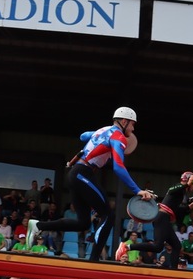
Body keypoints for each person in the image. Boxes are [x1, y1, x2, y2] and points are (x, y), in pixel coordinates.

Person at [28, 107, 153, 262]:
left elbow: (82, 136)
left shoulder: (103, 130)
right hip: (82, 174)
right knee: (108, 214)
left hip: (76, 173)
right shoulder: (118, 137)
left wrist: (96, 136)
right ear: (124, 121)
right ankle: (94, 260)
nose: (133, 128)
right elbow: (118, 167)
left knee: (83, 222)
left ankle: (38, 225)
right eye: (132, 124)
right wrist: (137, 190)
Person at [116, 171, 193, 269]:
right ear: (189, 181)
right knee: (157, 246)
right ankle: (126, 246)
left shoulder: (181, 194)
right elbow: (171, 190)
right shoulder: (178, 187)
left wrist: (189, 207)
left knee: (176, 246)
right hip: (161, 217)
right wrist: (187, 184)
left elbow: (175, 210)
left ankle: (174, 271)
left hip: (165, 219)